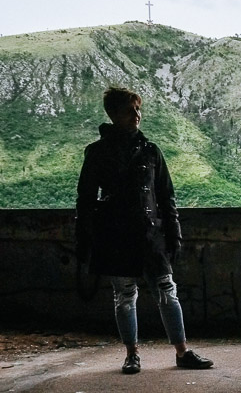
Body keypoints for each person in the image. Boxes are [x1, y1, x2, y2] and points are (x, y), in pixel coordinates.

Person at [75, 87, 214, 375]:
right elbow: (85, 200)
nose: (136, 115)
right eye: (129, 110)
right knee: (125, 295)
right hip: (116, 235)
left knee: (166, 290)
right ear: (113, 114)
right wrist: (84, 239)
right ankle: (132, 354)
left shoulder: (151, 151)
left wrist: (174, 233)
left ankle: (182, 351)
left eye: (138, 109)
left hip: (151, 235)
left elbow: (166, 196)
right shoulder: (98, 153)